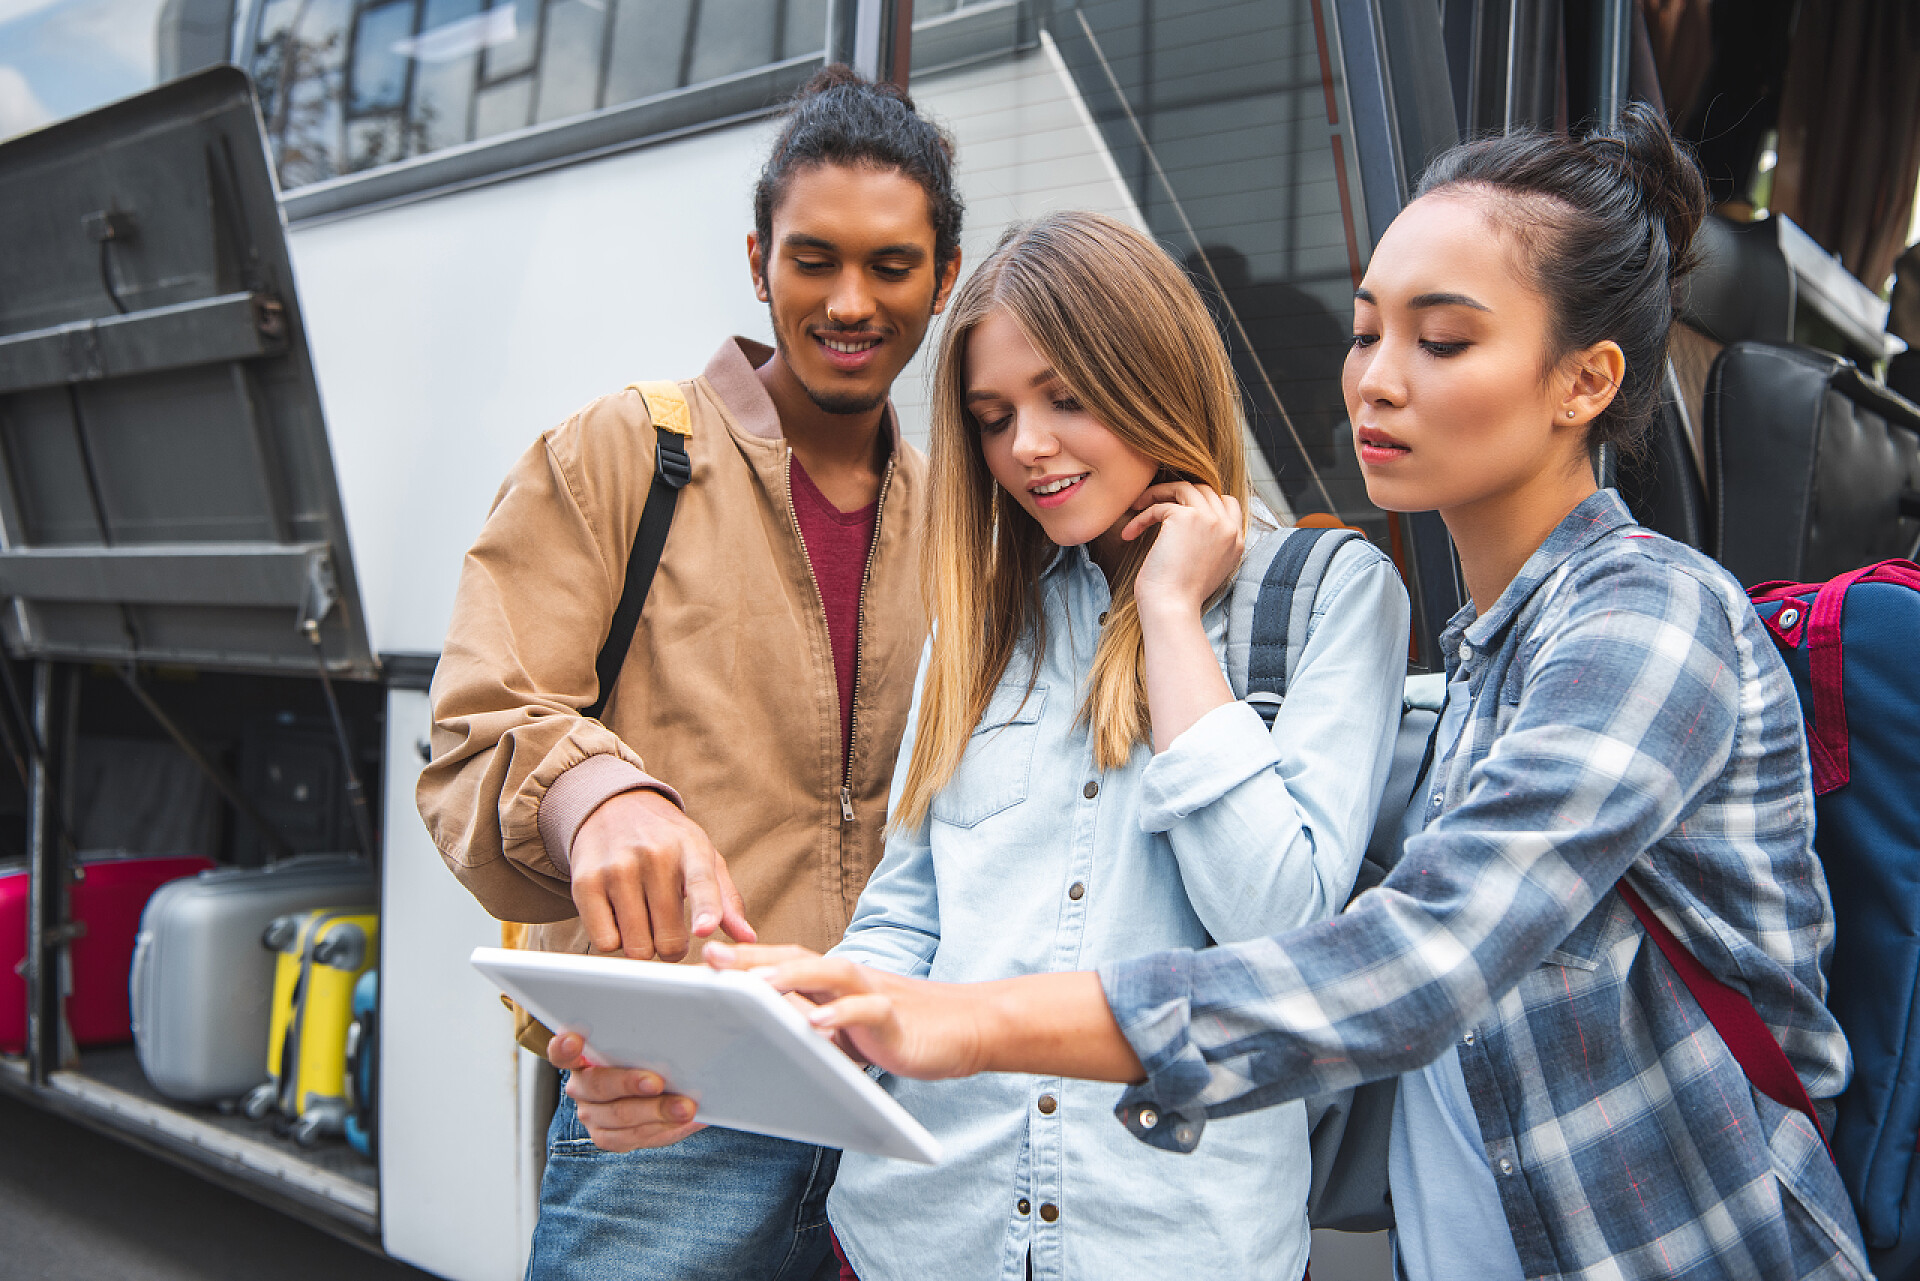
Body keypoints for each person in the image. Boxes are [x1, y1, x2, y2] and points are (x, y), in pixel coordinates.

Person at [696, 106, 1871, 1279]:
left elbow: (1408, 963)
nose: (1376, 380)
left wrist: (959, 1025)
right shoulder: (1482, 656)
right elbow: (916, 911)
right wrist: (787, 1023)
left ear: (1584, 382)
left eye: (1441, 342)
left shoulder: (1644, 621)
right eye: (1366, 334)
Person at [563, 210, 1410, 1279]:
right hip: (919, 1236)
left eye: (1066, 398)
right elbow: (911, 914)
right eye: (994, 418)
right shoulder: (983, 621)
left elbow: (1279, 932)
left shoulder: (1334, 597)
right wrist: (740, 1043)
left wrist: (1170, 615)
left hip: (1171, 1247)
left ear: (1154, 374)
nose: (1026, 448)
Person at [416, 68, 962, 1281]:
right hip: (671, 1104)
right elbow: (478, 727)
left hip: (897, 1107)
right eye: (814, 260)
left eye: (891, 265)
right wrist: (602, 796)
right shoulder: (624, 450)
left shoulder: (963, 525)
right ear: (760, 262)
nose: (851, 301)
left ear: (944, 278)